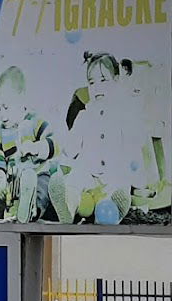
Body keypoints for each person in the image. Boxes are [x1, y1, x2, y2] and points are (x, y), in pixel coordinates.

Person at [0, 65, 61, 221]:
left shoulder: (36, 123)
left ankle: (31, 209)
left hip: (35, 175)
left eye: (6, 107)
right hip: (12, 180)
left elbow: (54, 145)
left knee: (43, 185)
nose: (2, 115)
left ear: (22, 101)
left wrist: (36, 148)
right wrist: (0, 178)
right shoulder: (2, 133)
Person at [57, 52, 137, 224]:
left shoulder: (122, 115)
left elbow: (132, 147)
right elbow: (71, 148)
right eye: (92, 83)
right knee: (74, 181)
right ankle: (69, 207)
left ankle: (110, 212)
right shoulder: (84, 116)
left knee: (118, 187)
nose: (97, 87)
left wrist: (138, 180)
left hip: (113, 174)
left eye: (103, 80)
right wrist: (65, 160)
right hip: (88, 172)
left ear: (116, 81)